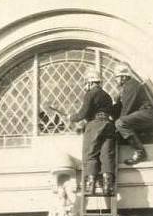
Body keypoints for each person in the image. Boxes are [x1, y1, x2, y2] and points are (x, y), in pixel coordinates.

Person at [48, 68, 116, 196]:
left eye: (86, 83)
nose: (85, 86)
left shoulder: (90, 94)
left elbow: (83, 113)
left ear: (90, 82)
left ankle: (90, 187)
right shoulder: (107, 95)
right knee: (107, 155)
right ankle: (108, 186)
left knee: (90, 155)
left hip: (95, 126)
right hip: (108, 126)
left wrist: (71, 117)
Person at [112, 65, 153, 165]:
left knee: (120, 124)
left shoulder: (131, 85)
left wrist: (115, 126)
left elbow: (126, 109)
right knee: (119, 126)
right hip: (143, 114)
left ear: (123, 77)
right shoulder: (125, 87)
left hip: (147, 113)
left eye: (117, 77)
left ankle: (140, 152)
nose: (115, 80)